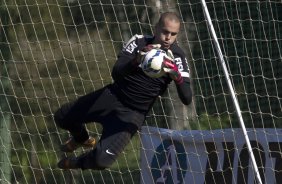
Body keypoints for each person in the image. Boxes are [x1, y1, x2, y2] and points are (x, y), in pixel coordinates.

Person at [54, 11, 192, 170]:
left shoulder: (177, 57)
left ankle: (76, 162)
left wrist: (177, 77)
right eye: (165, 32)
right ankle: (82, 138)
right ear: (156, 28)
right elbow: (116, 73)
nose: (168, 37)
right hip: (112, 96)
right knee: (62, 117)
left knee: (101, 162)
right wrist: (136, 60)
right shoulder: (139, 42)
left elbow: (187, 98)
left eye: (173, 34)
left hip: (132, 114)